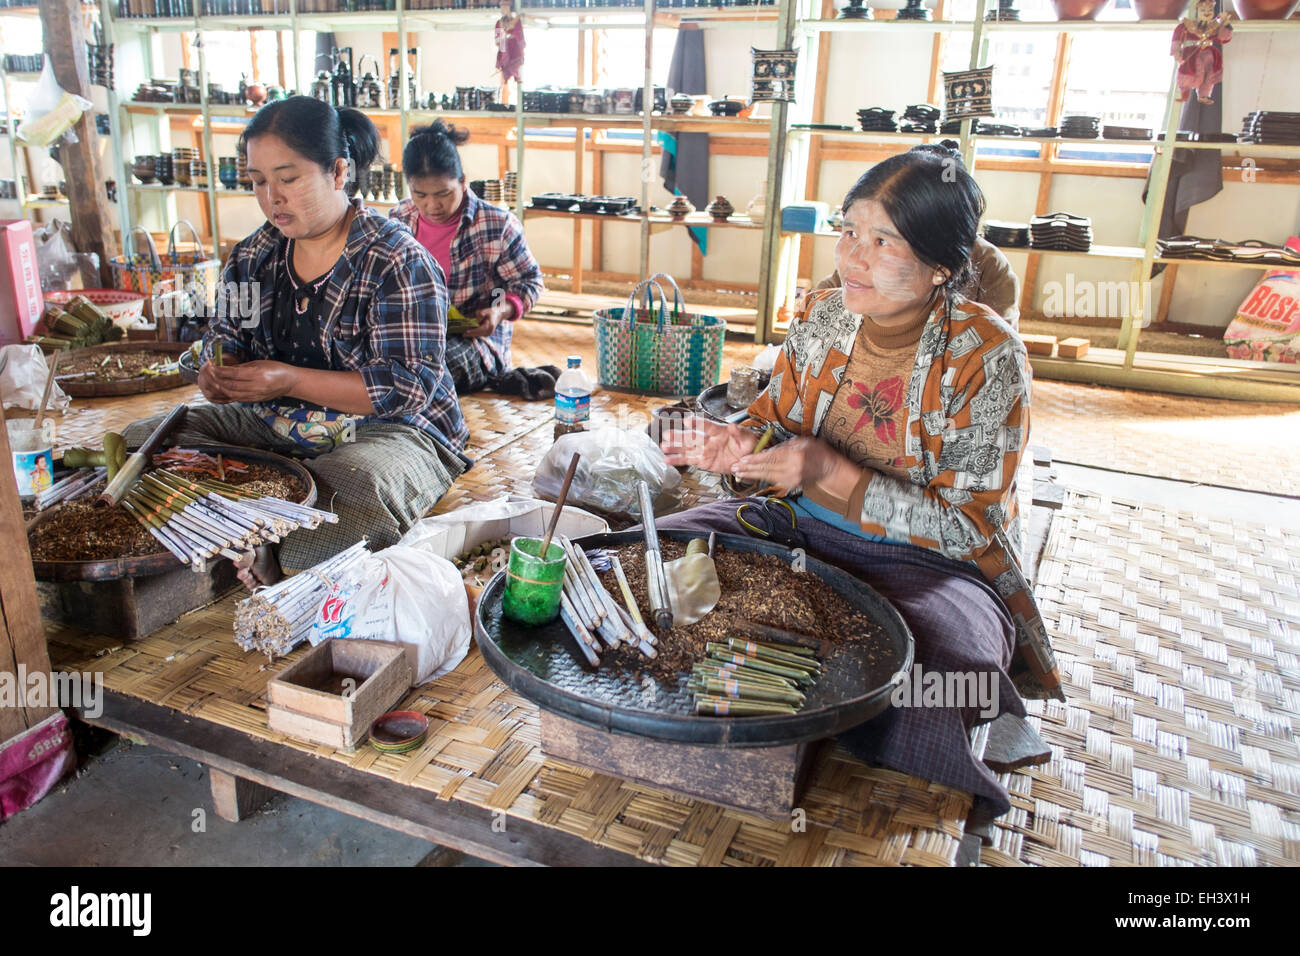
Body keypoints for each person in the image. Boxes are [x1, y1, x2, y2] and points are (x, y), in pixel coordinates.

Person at [657, 142, 1061, 820]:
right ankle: (808, 697)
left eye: (882, 241)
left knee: (945, 673)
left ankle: (809, 704)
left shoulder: (986, 357)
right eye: (847, 231)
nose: (851, 256)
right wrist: (739, 445)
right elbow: (773, 421)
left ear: (939, 265)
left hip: (928, 566)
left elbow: (969, 526)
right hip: (796, 530)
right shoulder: (823, 314)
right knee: (645, 559)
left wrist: (832, 476)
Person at [123, 97, 469, 587]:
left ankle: (249, 539)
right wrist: (217, 376)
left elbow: (404, 389)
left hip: (389, 429)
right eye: (259, 182)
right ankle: (256, 530)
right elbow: (224, 338)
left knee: (352, 489)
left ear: (338, 171)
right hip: (275, 421)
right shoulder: (251, 258)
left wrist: (287, 378)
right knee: (141, 445)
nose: (272, 198)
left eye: (288, 179)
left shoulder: (395, 260)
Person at [389, 121, 551, 398]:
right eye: (420, 195)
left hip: (473, 343)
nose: (432, 205)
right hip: (413, 338)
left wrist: (500, 311)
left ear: (463, 181)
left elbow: (530, 282)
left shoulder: (496, 225)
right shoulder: (400, 220)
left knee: (430, 371)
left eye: (444, 193)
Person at [814, 143, 1021, 328]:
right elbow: (828, 294)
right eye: (851, 233)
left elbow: (997, 331)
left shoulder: (990, 262)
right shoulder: (862, 255)